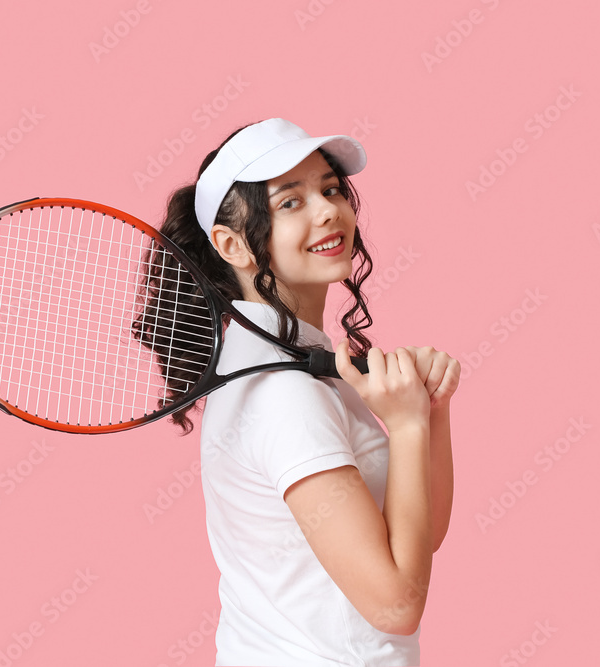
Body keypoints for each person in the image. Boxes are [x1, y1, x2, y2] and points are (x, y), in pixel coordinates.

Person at [153, 118, 459, 666]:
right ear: (232, 245)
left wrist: (429, 412)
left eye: (330, 188)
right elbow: (395, 606)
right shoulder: (283, 394)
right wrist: (407, 425)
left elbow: (420, 535)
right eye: (290, 203)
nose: (327, 210)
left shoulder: (291, 368)